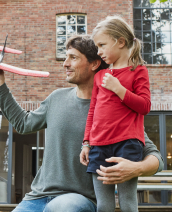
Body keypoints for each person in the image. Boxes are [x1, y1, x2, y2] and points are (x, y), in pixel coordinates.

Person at [0, 34, 163, 212]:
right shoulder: (56, 98)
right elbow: (23, 124)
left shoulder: (117, 108)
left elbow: (155, 158)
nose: (65, 63)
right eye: (65, 57)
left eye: (73, 57)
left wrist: (136, 168)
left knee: (63, 208)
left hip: (79, 200)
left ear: (94, 64)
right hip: (37, 197)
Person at [80, 16, 150, 212]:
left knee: (128, 204)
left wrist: (119, 89)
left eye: (102, 45)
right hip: (98, 146)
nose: (99, 51)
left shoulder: (139, 71)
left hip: (127, 144)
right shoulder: (100, 76)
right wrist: (86, 143)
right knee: (104, 205)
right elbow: (92, 111)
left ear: (120, 42)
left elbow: (145, 106)